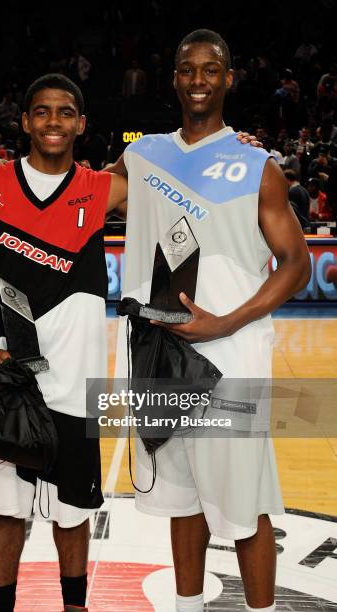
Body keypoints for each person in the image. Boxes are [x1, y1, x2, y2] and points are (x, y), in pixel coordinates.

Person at [109, 29, 309, 612]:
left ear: (228, 79)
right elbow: (71, 196)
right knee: (180, 499)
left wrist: (226, 323)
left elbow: (295, 266)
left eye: (211, 69)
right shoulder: (142, 155)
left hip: (231, 358)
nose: (199, 79)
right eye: (187, 69)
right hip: (157, 354)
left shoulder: (256, 166)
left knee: (246, 505)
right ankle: (187, 606)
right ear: (173, 78)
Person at [0, 73, 128, 612]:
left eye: (66, 111)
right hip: (9, 380)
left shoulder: (101, 189)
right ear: (26, 121)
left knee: (73, 511)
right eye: (43, 111)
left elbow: (172, 169)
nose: (54, 121)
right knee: (6, 511)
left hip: (76, 386)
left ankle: (73, 606)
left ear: (81, 123)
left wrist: (238, 140)